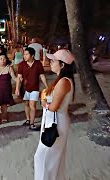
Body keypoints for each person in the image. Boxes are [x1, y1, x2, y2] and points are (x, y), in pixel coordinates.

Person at [34, 49, 75, 180]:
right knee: (53, 159)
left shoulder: (64, 82)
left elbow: (53, 107)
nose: (50, 63)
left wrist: (44, 102)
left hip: (56, 122)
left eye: (53, 61)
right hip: (54, 121)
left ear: (62, 65)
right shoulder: (61, 80)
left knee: (43, 157)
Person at [15, 47, 48, 130]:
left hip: (35, 88)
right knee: (26, 104)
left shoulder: (38, 64)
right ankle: (28, 119)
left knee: (32, 105)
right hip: (25, 88)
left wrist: (47, 86)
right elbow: (19, 77)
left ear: (32, 55)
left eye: (26, 54)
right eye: (24, 54)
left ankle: (32, 123)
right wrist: (17, 88)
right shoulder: (22, 64)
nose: (25, 56)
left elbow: (42, 75)